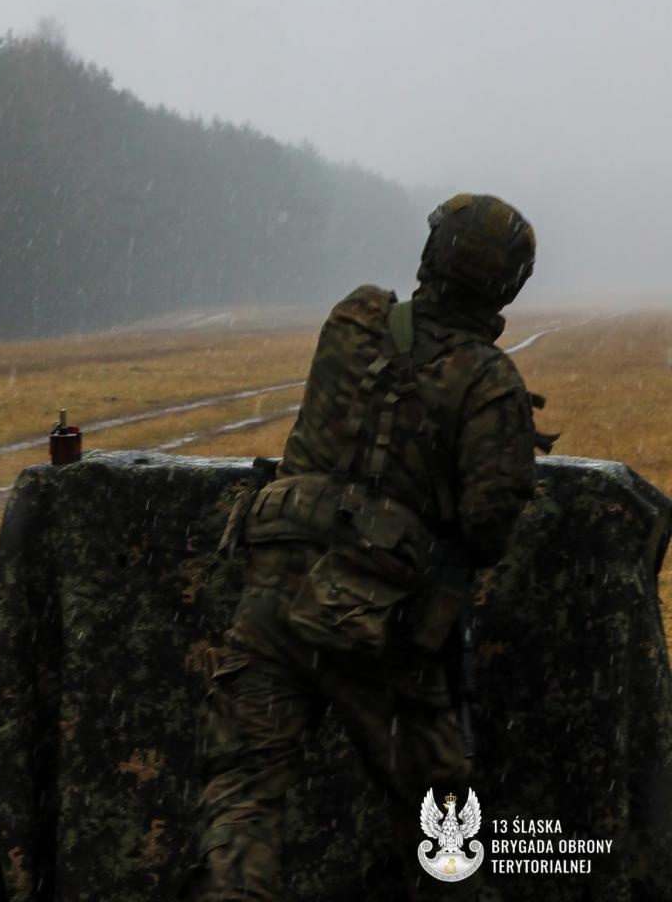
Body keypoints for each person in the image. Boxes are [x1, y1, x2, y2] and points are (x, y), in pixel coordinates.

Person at [183, 193, 539, 901]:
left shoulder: (355, 317)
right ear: (505, 286)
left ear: (432, 255)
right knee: (442, 829)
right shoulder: (490, 383)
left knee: (246, 797)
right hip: (378, 624)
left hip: (273, 593)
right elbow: (487, 530)